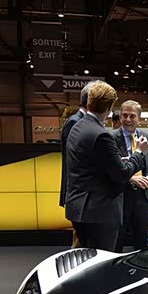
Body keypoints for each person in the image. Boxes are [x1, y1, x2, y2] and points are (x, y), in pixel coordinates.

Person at [64, 81, 148, 251]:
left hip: (80, 207)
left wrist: (119, 161)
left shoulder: (77, 125)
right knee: (102, 259)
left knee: (88, 258)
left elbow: (93, 164)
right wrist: (139, 152)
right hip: (99, 212)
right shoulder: (101, 135)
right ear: (110, 107)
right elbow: (122, 174)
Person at [113, 100, 148, 251]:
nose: (128, 119)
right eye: (124, 115)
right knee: (117, 241)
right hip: (121, 197)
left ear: (139, 119)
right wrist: (130, 178)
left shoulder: (145, 137)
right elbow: (111, 169)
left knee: (142, 241)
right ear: (120, 116)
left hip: (142, 197)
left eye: (132, 116)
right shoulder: (111, 138)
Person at [60, 80, 99, 248]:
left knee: (82, 240)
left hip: (83, 194)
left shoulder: (82, 120)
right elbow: (73, 161)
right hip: (79, 193)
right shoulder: (75, 121)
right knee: (80, 243)